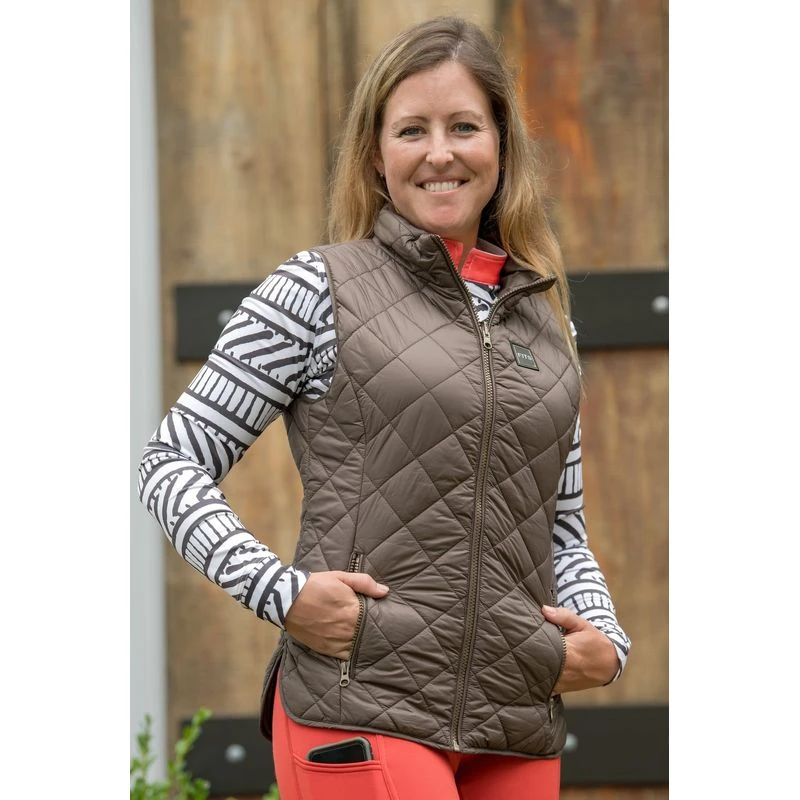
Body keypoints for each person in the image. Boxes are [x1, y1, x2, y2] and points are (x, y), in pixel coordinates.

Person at [137, 14, 631, 800]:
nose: (440, 152)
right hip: (360, 703)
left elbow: (561, 528)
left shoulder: (548, 323)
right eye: (411, 130)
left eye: (463, 126)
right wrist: (282, 594)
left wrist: (605, 634)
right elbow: (170, 464)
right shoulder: (316, 289)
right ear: (376, 154)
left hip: (516, 723)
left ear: (501, 145)